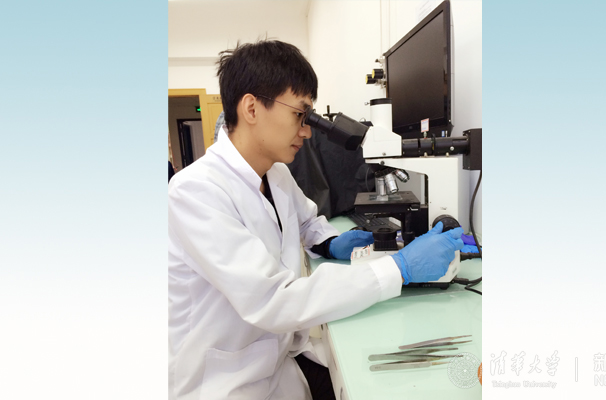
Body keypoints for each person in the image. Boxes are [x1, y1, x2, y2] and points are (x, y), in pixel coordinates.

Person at [168, 40, 464, 400]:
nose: (307, 131)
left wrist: (330, 242)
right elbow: (273, 300)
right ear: (251, 108)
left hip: (279, 361)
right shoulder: (195, 192)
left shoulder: (275, 172)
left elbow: (307, 222)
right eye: (300, 114)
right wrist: (398, 269)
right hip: (226, 382)